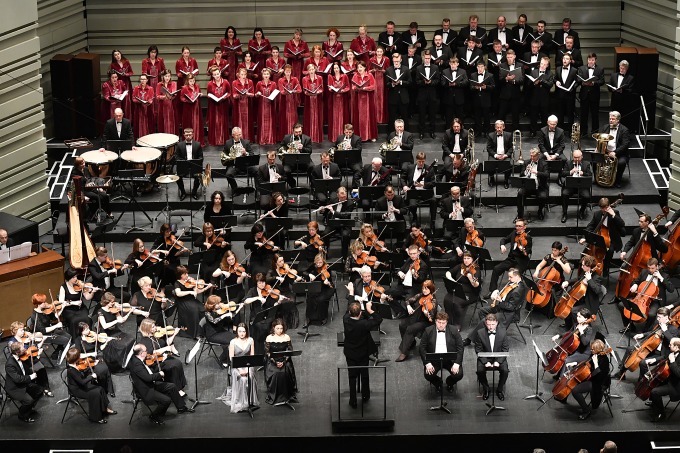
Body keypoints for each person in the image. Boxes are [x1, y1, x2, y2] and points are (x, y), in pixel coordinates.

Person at [128, 343, 193, 424]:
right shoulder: (137, 365)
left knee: (172, 386)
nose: (147, 352)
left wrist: (161, 363)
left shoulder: (136, 358)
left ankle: (181, 408)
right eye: (146, 351)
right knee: (166, 400)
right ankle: (154, 416)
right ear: (142, 353)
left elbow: (148, 374)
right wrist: (160, 374)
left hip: (150, 384)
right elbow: (148, 378)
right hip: (145, 390)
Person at [614, 307, 679, 381]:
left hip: (662, 354)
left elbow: (673, 341)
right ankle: (621, 373)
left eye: (659, 317)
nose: (657, 319)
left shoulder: (674, 329)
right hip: (651, 349)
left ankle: (641, 381)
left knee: (643, 363)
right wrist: (642, 335)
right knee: (630, 349)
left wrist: (665, 331)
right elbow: (652, 332)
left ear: (666, 317)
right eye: (657, 316)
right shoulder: (660, 323)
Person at [559, 339, 611, 420]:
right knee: (573, 381)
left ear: (598, 349)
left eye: (593, 349)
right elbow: (587, 363)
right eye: (591, 349)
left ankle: (586, 411)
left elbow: (600, 377)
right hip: (591, 377)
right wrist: (575, 364)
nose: (591, 350)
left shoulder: (604, 360)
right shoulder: (594, 354)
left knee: (575, 390)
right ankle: (563, 397)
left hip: (597, 383)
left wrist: (596, 364)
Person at [616, 257, 673, 331]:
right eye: (649, 268)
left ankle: (646, 331)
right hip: (641, 297)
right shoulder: (644, 272)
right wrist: (635, 285)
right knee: (621, 304)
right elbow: (635, 281)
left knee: (651, 314)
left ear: (657, 266)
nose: (650, 270)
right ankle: (630, 327)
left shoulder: (664, 276)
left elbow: (671, 289)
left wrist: (661, 278)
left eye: (652, 268)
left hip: (655, 301)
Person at [343, 300, 382, 408]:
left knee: (352, 376)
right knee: (364, 375)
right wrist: (369, 309)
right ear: (360, 313)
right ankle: (365, 396)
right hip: (363, 353)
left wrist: (352, 296)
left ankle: (353, 400)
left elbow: (348, 310)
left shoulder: (346, 320)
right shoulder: (365, 324)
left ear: (350, 313)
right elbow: (379, 319)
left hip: (350, 353)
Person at [137, 318, 188, 396]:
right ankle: (176, 389)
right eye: (153, 327)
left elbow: (166, 343)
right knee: (174, 365)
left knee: (178, 363)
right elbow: (152, 353)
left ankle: (179, 386)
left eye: (155, 326)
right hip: (155, 363)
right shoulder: (145, 341)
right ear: (147, 329)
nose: (156, 328)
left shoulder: (155, 335)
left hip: (162, 358)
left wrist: (174, 334)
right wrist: (165, 349)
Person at [65, 347, 116, 423]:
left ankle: (105, 409)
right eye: (79, 356)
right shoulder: (71, 370)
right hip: (77, 390)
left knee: (100, 389)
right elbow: (82, 382)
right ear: (76, 358)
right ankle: (95, 418)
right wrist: (91, 376)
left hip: (80, 386)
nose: (80, 357)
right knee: (95, 394)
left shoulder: (75, 365)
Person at [578, 197, 626, 275]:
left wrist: (613, 214)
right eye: (602, 208)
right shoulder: (597, 214)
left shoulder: (615, 212)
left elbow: (622, 224)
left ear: (609, 206)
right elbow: (590, 226)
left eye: (606, 207)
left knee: (609, 251)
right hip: (600, 237)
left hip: (612, 238)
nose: (604, 210)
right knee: (587, 251)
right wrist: (585, 237)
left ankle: (606, 267)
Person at [420, 312, 464, 392]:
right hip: (434, 359)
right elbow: (422, 348)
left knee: (459, 375)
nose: (441, 325)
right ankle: (438, 383)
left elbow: (460, 347)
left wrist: (457, 363)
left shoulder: (453, 330)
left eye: (443, 323)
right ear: (435, 321)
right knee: (428, 375)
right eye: (439, 322)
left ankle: (449, 383)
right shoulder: (428, 331)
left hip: (450, 359)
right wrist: (427, 363)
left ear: (447, 323)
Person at [486, 219, 532, 296]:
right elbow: (504, 239)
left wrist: (523, 250)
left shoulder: (528, 237)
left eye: (520, 226)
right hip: (511, 259)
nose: (517, 228)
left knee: (515, 275)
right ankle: (492, 291)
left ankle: (512, 294)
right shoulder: (514, 233)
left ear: (524, 227)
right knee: (496, 269)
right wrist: (502, 245)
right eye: (516, 226)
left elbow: (528, 252)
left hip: (521, 261)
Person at [395, 280, 437, 362]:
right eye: (423, 288)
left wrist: (426, 313)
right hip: (414, 317)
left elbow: (432, 316)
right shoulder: (420, 295)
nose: (424, 290)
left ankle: (404, 352)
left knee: (410, 329)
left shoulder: (433, 300)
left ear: (431, 290)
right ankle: (411, 343)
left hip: (425, 322)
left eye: (426, 289)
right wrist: (408, 307)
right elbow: (408, 300)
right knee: (402, 325)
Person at [7, 321, 53, 397]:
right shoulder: (12, 342)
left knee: (41, 368)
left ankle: (45, 388)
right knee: (33, 370)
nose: (23, 332)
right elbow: (16, 354)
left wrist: (40, 346)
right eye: (21, 330)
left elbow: (33, 349)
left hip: (29, 357)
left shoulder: (25, 338)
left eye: (23, 329)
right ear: (15, 331)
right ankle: (36, 389)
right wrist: (25, 343)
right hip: (21, 361)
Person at [95, 292, 137, 373]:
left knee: (132, 339)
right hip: (107, 334)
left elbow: (121, 320)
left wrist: (129, 312)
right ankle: (119, 364)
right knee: (123, 345)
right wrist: (116, 321)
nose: (114, 303)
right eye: (112, 302)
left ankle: (126, 361)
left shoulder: (114, 309)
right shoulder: (100, 312)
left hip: (116, 331)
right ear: (106, 302)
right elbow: (105, 326)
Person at [561, 256, 606, 331]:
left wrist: (589, 280)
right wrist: (568, 282)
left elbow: (598, 290)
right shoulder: (585, 272)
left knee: (573, 310)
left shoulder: (596, 277)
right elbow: (578, 279)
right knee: (567, 306)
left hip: (590, 303)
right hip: (582, 299)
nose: (581, 267)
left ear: (589, 266)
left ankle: (579, 328)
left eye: (583, 265)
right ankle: (569, 325)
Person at [5, 342, 44, 422]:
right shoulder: (10, 364)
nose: (26, 349)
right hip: (14, 388)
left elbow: (30, 363)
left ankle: (28, 409)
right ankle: (22, 415)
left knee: (40, 391)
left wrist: (37, 355)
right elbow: (17, 379)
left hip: (24, 383)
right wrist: (30, 377)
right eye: (23, 349)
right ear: (17, 352)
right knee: (28, 401)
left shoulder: (22, 357)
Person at [475, 313, 509, 401]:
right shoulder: (480, 333)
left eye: (493, 324)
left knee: (505, 371)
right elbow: (478, 349)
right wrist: (485, 362)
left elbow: (505, 349)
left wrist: (498, 361)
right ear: (485, 323)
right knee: (480, 371)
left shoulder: (503, 332)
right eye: (488, 324)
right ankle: (486, 389)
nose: (490, 327)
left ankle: (499, 390)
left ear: (497, 323)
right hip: (485, 357)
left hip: (499, 356)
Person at [389, 245, 430, 318]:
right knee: (387, 294)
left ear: (418, 253)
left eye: (414, 253)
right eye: (411, 254)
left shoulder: (423, 265)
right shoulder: (409, 260)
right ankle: (400, 311)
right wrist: (400, 273)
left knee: (408, 301)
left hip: (414, 288)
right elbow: (400, 269)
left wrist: (414, 274)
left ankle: (408, 313)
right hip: (403, 286)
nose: (412, 256)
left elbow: (420, 280)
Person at [264, 318, 298, 406]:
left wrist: (283, 361)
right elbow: (268, 353)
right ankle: (275, 396)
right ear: (273, 328)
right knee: (275, 374)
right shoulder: (269, 338)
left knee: (285, 372)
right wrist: (276, 362)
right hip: (272, 361)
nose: (280, 330)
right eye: (277, 328)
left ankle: (286, 396)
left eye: (281, 328)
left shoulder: (286, 337)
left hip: (284, 360)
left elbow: (290, 351)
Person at [443, 251, 481, 327]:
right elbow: (448, 272)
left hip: (470, 294)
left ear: (472, 259)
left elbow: (476, 285)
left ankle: (457, 323)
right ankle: (449, 321)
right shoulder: (461, 266)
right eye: (464, 258)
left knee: (456, 302)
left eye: (468, 258)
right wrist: (451, 280)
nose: (466, 260)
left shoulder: (476, 269)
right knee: (447, 299)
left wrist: (470, 278)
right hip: (458, 290)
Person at [228, 323, 259, 413]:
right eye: (240, 331)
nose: (242, 333)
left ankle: (250, 400)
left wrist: (247, 369)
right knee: (243, 379)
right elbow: (231, 358)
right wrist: (240, 369)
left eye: (244, 331)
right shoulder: (233, 342)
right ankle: (242, 401)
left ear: (246, 331)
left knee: (249, 376)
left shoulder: (250, 340)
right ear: (237, 332)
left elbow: (252, 356)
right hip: (236, 366)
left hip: (248, 364)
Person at [31, 293, 71, 360]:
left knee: (69, 337)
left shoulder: (45, 311)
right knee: (66, 340)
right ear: (38, 304)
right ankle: (63, 356)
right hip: (44, 336)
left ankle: (57, 353)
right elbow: (43, 330)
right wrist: (56, 326)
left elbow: (54, 318)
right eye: (43, 302)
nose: (46, 303)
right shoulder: (35, 316)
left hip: (51, 331)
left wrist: (62, 307)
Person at [174, 265, 210, 339]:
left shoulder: (190, 281)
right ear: (180, 275)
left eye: (187, 273)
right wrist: (190, 292)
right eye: (184, 274)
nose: (187, 275)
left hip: (192, 300)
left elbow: (197, 291)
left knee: (203, 309)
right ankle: (195, 334)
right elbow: (178, 293)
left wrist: (206, 287)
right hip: (183, 302)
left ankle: (202, 330)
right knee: (195, 311)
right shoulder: (177, 283)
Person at [649, 337, 680, 422]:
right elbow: (664, 356)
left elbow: (678, 374)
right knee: (652, 383)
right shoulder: (673, 352)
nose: (669, 345)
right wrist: (654, 359)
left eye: (670, 345)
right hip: (670, 380)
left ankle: (661, 414)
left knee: (655, 392)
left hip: (676, 386)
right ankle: (655, 404)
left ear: (676, 347)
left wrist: (673, 361)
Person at [598, 111, 631, 188]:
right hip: (605, 152)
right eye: (610, 119)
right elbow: (600, 139)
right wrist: (598, 148)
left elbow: (625, 145)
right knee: (595, 159)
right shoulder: (605, 127)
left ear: (618, 120)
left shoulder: (624, 130)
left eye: (613, 119)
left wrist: (615, 152)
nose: (611, 120)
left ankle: (617, 180)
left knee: (621, 163)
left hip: (620, 154)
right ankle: (598, 179)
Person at [302, 253, 335, 327]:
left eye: (320, 262)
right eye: (317, 262)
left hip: (326, 287)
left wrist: (327, 282)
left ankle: (323, 317)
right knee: (310, 297)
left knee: (321, 299)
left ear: (323, 261)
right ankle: (308, 318)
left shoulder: (327, 267)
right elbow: (304, 272)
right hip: (316, 287)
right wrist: (309, 275)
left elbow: (330, 282)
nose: (319, 264)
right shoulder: (314, 266)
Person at [59, 268, 94, 335]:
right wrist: (73, 303)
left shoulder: (80, 284)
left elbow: (87, 297)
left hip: (81, 308)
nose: (76, 279)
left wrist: (92, 292)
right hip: (69, 310)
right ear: (69, 278)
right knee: (74, 321)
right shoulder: (63, 287)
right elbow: (61, 302)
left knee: (87, 319)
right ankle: (75, 339)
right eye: (73, 277)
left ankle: (88, 336)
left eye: (76, 276)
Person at [577, 53, 606, 136]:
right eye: (589, 60)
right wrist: (583, 82)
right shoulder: (581, 68)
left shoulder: (600, 69)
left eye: (592, 60)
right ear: (587, 60)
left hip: (594, 95)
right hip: (584, 94)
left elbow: (602, 81)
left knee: (595, 114)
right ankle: (583, 131)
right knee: (583, 114)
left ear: (595, 60)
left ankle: (595, 131)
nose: (591, 62)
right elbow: (578, 79)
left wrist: (593, 83)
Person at [560, 149, 592, 223]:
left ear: (582, 157)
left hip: (582, 186)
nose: (577, 159)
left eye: (578, 157)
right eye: (575, 157)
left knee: (587, 196)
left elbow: (590, 175)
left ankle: (581, 211)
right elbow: (562, 173)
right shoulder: (568, 163)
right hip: (570, 186)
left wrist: (583, 173)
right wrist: (570, 172)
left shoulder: (586, 164)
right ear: (572, 157)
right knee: (564, 194)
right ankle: (564, 213)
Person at [517, 148, 549, 220]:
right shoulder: (526, 162)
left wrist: (536, 172)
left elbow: (547, 175)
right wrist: (526, 171)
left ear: (538, 155)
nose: (532, 158)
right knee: (520, 193)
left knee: (543, 197)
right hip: (528, 186)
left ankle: (540, 211)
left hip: (540, 187)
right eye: (531, 156)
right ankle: (520, 215)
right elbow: (521, 175)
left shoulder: (544, 163)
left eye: (534, 156)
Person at [204, 295, 236, 367]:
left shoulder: (218, 310)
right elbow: (214, 321)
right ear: (212, 305)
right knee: (230, 342)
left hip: (220, 330)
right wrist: (223, 316)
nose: (220, 304)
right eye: (217, 303)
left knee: (235, 338)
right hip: (212, 335)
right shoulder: (207, 313)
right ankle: (223, 359)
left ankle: (230, 356)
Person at [403, 152, 435, 222]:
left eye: (423, 161)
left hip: (426, 192)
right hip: (414, 191)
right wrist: (405, 186)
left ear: (425, 160)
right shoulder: (410, 167)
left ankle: (433, 220)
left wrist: (424, 185)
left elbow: (433, 183)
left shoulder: (430, 169)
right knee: (412, 205)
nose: (421, 163)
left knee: (434, 201)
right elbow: (403, 178)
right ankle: (414, 217)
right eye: (419, 161)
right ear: (416, 160)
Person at [415, 50, 440, 140]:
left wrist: (431, 82)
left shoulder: (435, 67)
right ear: (423, 58)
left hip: (432, 94)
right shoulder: (418, 68)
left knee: (432, 114)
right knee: (422, 114)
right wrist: (423, 82)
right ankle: (421, 132)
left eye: (429, 58)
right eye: (425, 58)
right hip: (422, 94)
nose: (427, 60)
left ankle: (432, 131)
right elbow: (417, 81)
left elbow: (438, 80)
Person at [528, 57, 554, 137]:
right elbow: (528, 85)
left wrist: (542, 80)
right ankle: (533, 131)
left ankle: (544, 132)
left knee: (544, 116)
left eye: (545, 64)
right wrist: (534, 83)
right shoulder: (533, 72)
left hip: (544, 98)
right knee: (533, 116)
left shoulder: (550, 73)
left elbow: (550, 85)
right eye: (542, 64)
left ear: (547, 65)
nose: (543, 66)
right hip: (534, 97)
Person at [384, 53, 411, 131]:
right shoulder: (388, 70)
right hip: (393, 97)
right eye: (395, 61)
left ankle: (406, 135)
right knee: (392, 118)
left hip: (403, 97)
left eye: (398, 61)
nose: (396, 63)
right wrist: (392, 84)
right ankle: (391, 135)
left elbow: (410, 82)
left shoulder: (406, 69)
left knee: (405, 117)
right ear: (392, 60)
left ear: (401, 60)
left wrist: (401, 82)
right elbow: (386, 84)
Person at [351, 61, 377, 141]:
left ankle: (371, 136)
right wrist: (356, 88)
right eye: (358, 67)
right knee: (359, 117)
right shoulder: (355, 75)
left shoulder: (369, 75)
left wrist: (365, 88)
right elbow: (353, 86)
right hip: (358, 99)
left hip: (368, 99)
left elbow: (373, 86)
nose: (359, 69)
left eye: (361, 67)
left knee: (369, 117)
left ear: (365, 67)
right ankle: (359, 136)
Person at [174, 128, 203, 200]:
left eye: (190, 135)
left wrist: (195, 161)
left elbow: (201, 157)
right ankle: (183, 192)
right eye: (186, 135)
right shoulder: (179, 145)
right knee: (178, 176)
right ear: (184, 135)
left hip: (194, 167)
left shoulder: (198, 144)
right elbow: (176, 157)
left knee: (199, 176)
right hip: (184, 167)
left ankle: (194, 192)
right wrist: (184, 161)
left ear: (193, 135)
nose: (188, 137)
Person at [206, 65, 231, 147]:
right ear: (212, 75)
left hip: (223, 104)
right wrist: (210, 96)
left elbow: (229, 92)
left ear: (220, 73)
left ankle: (223, 140)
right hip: (214, 105)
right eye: (215, 74)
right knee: (215, 122)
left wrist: (224, 97)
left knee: (223, 121)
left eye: (218, 74)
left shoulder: (226, 82)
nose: (217, 76)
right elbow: (209, 93)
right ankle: (215, 140)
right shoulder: (210, 84)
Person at [327, 62, 351, 141]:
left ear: (339, 68)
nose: (336, 70)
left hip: (342, 99)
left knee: (343, 116)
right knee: (334, 117)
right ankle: (335, 136)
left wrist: (343, 90)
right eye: (334, 68)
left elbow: (348, 87)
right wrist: (333, 89)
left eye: (337, 68)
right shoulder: (331, 77)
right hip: (334, 99)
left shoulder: (344, 76)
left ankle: (343, 136)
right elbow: (329, 87)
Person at [441, 60, 468, 127]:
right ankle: (448, 133)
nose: (453, 65)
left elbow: (466, 82)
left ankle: (461, 132)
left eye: (454, 64)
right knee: (448, 117)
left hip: (459, 98)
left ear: (458, 64)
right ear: (449, 64)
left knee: (460, 117)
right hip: (448, 98)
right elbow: (442, 83)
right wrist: (448, 84)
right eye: (451, 64)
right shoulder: (445, 71)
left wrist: (456, 84)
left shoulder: (463, 71)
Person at [486, 119, 512, 188]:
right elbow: (489, 148)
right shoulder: (491, 135)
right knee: (489, 164)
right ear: (495, 128)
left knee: (508, 164)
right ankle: (492, 179)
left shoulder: (509, 135)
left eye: (500, 127)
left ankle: (506, 181)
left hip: (505, 155)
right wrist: (495, 155)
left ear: (504, 127)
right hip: (495, 155)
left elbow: (511, 148)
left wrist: (506, 155)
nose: (499, 129)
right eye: (497, 127)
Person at [302, 64, 324, 143]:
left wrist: (317, 92)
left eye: (312, 69)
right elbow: (304, 90)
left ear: (315, 70)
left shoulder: (319, 78)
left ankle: (317, 137)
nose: (311, 71)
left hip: (317, 99)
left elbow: (321, 88)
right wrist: (309, 93)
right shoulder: (304, 79)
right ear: (308, 71)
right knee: (309, 117)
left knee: (318, 116)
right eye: (310, 70)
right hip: (309, 100)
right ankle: (309, 137)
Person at [231, 67, 255, 141]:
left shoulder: (250, 82)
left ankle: (248, 138)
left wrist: (248, 94)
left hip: (247, 104)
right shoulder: (234, 82)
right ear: (239, 75)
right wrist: (238, 95)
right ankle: (239, 138)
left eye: (245, 74)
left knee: (248, 121)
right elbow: (234, 95)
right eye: (242, 74)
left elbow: (253, 94)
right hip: (238, 104)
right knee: (239, 120)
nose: (244, 76)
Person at [255, 68, 278, 145]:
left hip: (270, 105)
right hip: (262, 105)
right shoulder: (259, 83)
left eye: (267, 74)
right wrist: (257, 93)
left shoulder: (273, 84)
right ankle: (262, 139)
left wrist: (272, 96)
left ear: (270, 75)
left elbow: (275, 93)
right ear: (262, 75)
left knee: (270, 121)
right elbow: (256, 95)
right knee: (262, 121)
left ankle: (270, 139)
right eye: (264, 74)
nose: (266, 75)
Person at [554, 54, 578, 129]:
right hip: (560, 95)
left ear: (570, 61)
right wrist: (556, 82)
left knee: (570, 114)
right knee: (560, 114)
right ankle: (560, 131)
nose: (565, 60)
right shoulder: (558, 69)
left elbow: (577, 81)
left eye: (567, 59)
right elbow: (554, 79)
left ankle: (570, 131)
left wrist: (572, 88)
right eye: (564, 58)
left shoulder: (574, 70)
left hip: (570, 95)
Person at [179, 74, 204, 145]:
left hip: (196, 107)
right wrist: (188, 100)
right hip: (188, 108)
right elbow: (181, 98)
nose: (192, 82)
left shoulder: (197, 86)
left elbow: (198, 93)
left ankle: (197, 139)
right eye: (190, 81)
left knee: (197, 122)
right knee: (189, 122)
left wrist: (200, 95)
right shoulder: (184, 88)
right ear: (187, 81)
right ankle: (189, 140)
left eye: (193, 81)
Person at [369, 46, 390, 124]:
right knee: (374, 98)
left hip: (383, 80)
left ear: (383, 52)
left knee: (382, 98)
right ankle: (374, 118)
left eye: (381, 52)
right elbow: (368, 71)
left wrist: (383, 70)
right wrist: (373, 70)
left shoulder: (386, 59)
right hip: (374, 80)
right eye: (378, 51)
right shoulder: (371, 59)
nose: (379, 53)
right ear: (375, 52)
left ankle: (382, 118)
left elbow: (389, 71)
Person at [110, 49, 133, 118]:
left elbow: (131, 72)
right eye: (115, 55)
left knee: (127, 100)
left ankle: (128, 118)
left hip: (127, 82)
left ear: (121, 54)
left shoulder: (126, 62)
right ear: (114, 57)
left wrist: (126, 74)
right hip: (119, 84)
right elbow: (112, 75)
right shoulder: (113, 65)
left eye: (118, 54)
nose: (117, 56)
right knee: (120, 100)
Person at [155, 69, 178, 134]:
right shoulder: (159, 84)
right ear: (163, 77)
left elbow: (174, 94)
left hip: (171, 105)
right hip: (162, 105)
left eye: (168, 76)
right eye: (166, 76)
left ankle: (172, 136)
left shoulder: (173, 83)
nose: (167, 78)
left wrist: (171, 95)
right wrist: (164, 97)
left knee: (171, 121)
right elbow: (157, 96)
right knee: (163, 121)